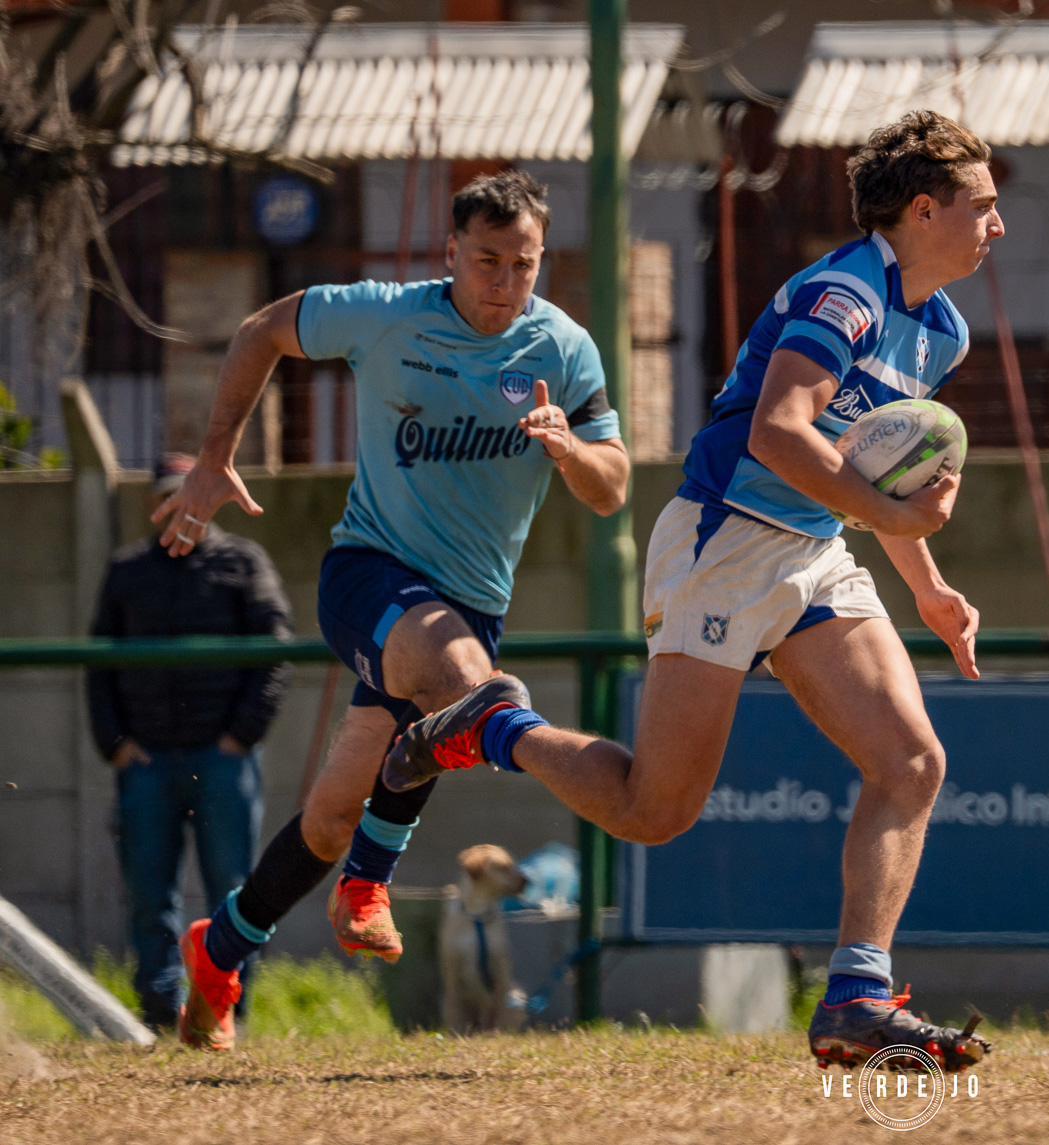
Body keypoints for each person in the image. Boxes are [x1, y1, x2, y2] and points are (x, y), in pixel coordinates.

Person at [382, 110, 1001, 1070]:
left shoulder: (942, 330)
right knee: (653, 810)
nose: (997, 224)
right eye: (982, 204)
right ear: (923, 210)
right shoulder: (845, 293)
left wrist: (927, 582)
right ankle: (493, 724)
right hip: (724, 541)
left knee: (913, 762)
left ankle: (856, 997)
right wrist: (895, 516)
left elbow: (874, 466)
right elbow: (778, 434)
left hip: (814, 548)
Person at [152, 170, 629, 1050]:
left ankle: (217, 954)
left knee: (334, 814)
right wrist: (215, 455)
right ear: (450, 251)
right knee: (468, 687)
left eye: (523, 264)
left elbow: (614, 486)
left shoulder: (563, 349)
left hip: (470, 606)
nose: (505, 282)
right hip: (369, 575)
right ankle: (369, 880)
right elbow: (261, 330)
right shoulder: (385, 314)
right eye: (486, 260)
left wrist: (571, 452)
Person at [88, 452, 291, 1031]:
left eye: (185, 494)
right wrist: (116, 745)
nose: (176, 507)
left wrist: (239, 737)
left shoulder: (243, 563)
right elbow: (98, 664)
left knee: (234, 888)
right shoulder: (127, 571)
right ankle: (160, 1012)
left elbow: (276, 650)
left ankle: (227, 1008)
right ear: (152, 505)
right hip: (146, 760)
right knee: (149, 894)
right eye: (166, 497)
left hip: (222, 758)